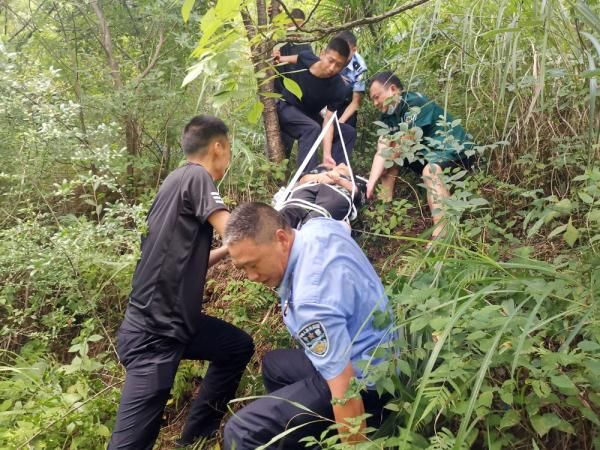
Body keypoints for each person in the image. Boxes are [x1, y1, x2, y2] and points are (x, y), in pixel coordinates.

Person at [108, 116, 254, 449]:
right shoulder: (196, 176)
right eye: (229, 149)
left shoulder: (176, 180)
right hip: (154, 334)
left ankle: (196, 438)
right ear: (218, 147)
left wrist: (226, 251)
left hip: (174, 323)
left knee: (235, 347)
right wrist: (267, 226)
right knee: (130, 444)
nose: (228, 158)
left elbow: (184, 257)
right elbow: (235, 232)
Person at [222, 203, 394, 449]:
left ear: (281, 239)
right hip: (386, 355)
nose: (252, 277)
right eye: (243, 269)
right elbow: (343, 226)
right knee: (274, 365)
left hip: (369, 384)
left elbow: (346, 390)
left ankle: (358, 427)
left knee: (242, 430)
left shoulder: (311, 302)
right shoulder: (318, 228)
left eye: (254, 264)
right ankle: (309, 439)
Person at [366, 71, 475, 241]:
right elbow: (384, 151)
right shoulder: (387, 117)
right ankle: (384, 210)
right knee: (390, 160)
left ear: (393, 89)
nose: (375, 103)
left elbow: (403, 145)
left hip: (455, 150)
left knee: (428, 171)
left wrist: (385, 149)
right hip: (427, 155)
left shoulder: (414, 103)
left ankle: (443, 235)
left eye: (376, 96)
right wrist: (371, 183)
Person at [273, 37, 357, 170]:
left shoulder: (339, 87)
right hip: (286, 107)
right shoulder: (307, 57)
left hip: (308, 116)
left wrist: (326, 154)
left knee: (347, 132)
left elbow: (328, 121)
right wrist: (279, 58)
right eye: (331, 61)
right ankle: (306, 176)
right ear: (323, 54)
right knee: (312, 128)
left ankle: (335, 170)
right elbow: (295, 58)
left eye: (338, 65)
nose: (332, 68)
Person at [276, 163, 367, 229]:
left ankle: (304, 237)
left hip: (336, 194)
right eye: (338, 166)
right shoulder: (321, 171)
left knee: (315, 220)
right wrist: (320, 176)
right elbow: (302, 180)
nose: (342, 164)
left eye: (345, 167)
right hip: (310, 187)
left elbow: (355, 191)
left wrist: (338, 180)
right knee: (290, 211)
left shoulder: (354, 181)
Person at [336, 31, 368, 128]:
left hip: (346, 104)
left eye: (346, 52)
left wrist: (339, 123)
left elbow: (356, 102)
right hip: (326, 98)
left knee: (346, 130)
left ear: (354, 50)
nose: (342, 55)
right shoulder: (332, 52)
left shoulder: (360, 69)